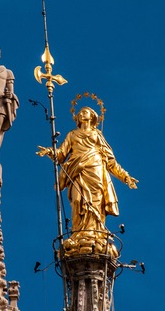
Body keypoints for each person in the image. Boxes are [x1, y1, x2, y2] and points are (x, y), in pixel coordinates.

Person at [37, 106, 137, 255]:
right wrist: (50, 151)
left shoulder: (97, 135)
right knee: (78, 201)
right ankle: (79, 233)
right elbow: (61, 154)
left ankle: (95, 232)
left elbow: (110, 161)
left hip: (95, 169)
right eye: (80, 112)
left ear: (92, 117)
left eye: (86, 112)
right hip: (77, 170)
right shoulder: (72, 134)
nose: (82, 113)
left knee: (96, 201)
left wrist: (125, 176)